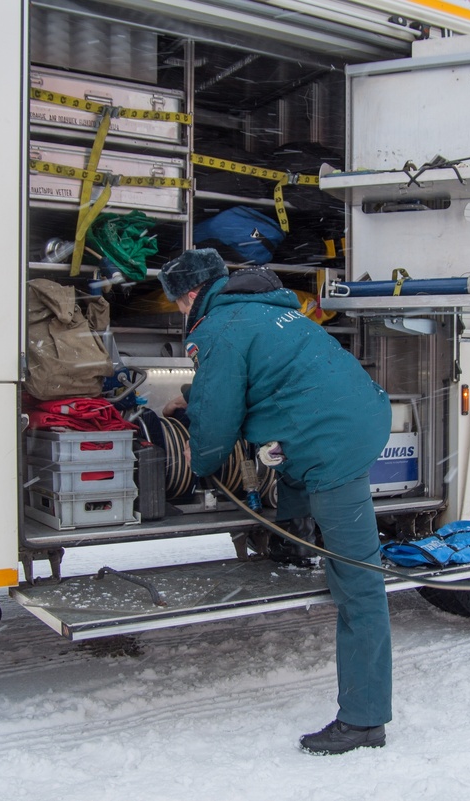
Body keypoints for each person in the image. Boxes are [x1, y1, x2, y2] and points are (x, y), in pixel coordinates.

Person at [158, 248, 393, 755]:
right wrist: (193, 396)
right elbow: (265, 377)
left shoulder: (216, 328)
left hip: (333, 444)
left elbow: (219, 422)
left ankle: (364, 719)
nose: (181, 312)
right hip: (355, 417)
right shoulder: (270, 309)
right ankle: (295, 540)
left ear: (192, 294)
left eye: (178, 303)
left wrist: (194, 463)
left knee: (359, 585)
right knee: (283, 459)